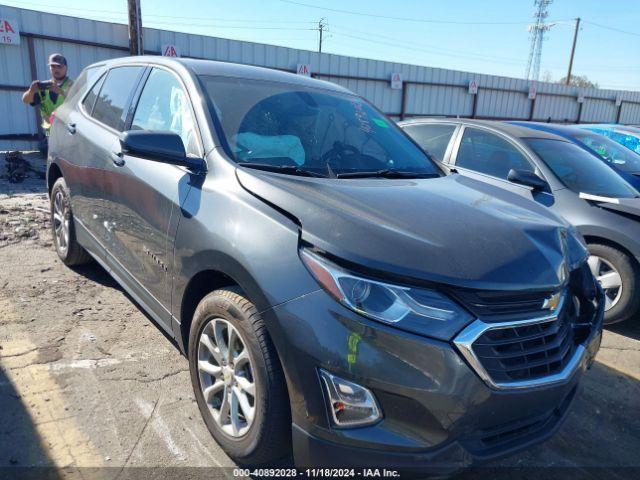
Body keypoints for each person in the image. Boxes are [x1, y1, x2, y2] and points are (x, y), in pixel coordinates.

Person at [22, 53, 74, 150]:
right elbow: (25, 100)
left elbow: (79, 103)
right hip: (49, 131)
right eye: (52, 66)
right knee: (52, 156)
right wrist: (31, 90)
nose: (56, 69)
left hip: (68, 130)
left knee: (66, 156)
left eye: (59, 66)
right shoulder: (43, 86)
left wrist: (61, 92)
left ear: (66, 68)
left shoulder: (73, 85)